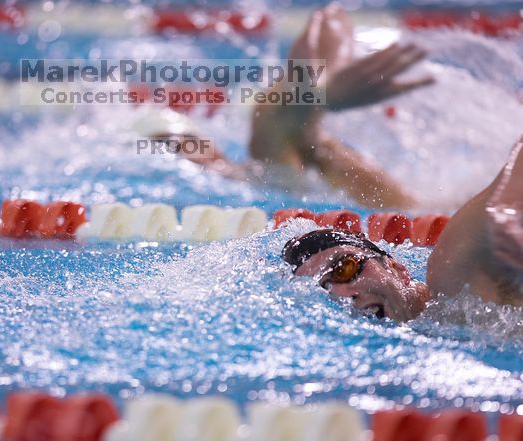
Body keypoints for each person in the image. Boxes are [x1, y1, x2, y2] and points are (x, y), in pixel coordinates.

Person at [143, 4, 433, 208]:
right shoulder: (258, 178)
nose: (181, 155)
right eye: (166, 149)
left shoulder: (266, 162)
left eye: (181, 142)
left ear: (210, 144)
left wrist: (322, 90)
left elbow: (330, 18)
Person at [282, 136, 523, 322]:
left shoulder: (455, 272)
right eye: (326, 290)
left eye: (345, 268)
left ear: (396, 267)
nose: (345, 295)